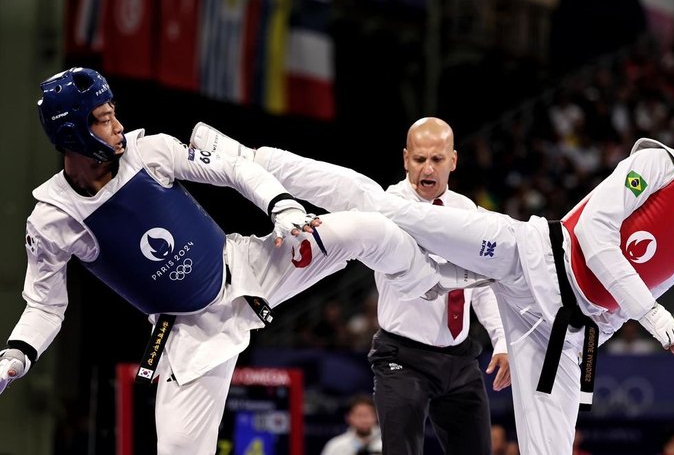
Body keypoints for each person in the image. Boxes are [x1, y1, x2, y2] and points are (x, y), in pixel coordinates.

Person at [191, 86, 674, 454]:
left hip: (561, 334)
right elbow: (594, 234)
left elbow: (626, 297)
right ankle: (245, 159)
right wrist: (650, 311)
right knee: (381, 208)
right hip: (530, 257)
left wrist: (591, 330)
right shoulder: (654, 164)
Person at [0, 68, 488, 455]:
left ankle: (434, 281)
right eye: (104, 119)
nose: (118, 125)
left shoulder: (151, 152)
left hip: (253, 265)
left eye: (114, 114)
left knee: (369, 227)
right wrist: (16, 355)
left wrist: (281, 205)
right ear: (73, 131)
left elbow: (235, 170)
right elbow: (45, 306)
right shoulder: (52, 220)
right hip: (191, 332)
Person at [354, 117, 510, 454]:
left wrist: (502, 340)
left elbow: (482, 285)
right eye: (419, 159)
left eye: (437, 159)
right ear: (405, 159)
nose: (428, 168)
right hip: (403, 358)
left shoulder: (466, 210)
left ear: (452, 161)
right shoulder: (387, 208)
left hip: (460, 358)